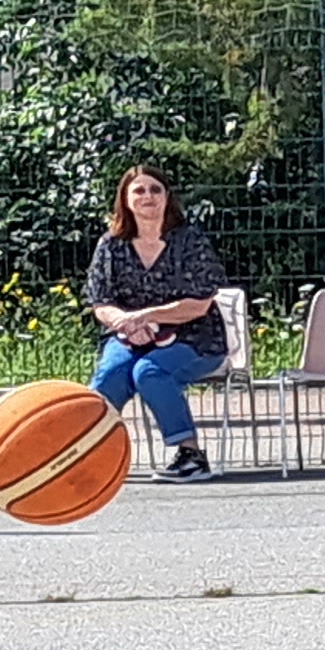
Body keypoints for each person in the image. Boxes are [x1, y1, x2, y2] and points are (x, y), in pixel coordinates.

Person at [83, 165, 233, 481]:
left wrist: (146, 317)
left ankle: (191, 456)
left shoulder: (189, 241)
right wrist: (126, 323)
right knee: (110, 375)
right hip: (128, 335)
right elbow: (100, 303)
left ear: (167, 197)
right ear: (125, 199)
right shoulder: (110, 245)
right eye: (139, 190)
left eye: (155, 189)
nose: (148, 196)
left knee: (149, 372)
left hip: (195, 338)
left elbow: (199, 304)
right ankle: (85, 453)